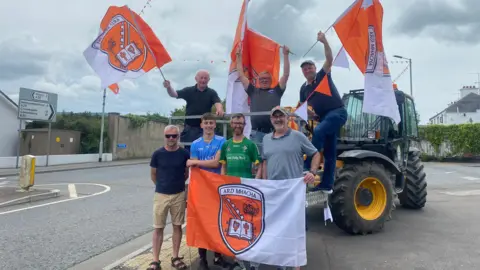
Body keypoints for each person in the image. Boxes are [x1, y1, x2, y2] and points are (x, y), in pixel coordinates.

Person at [261, 106, 321, 270]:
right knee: (278, 226)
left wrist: (312, 172)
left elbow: (316, 154)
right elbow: (265, 161)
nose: (278, 119)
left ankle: (295, 263)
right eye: (275, 117)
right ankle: (281, 260)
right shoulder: (266, 139)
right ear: (271, 120)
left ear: (287, 118)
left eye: (281, 116)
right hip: (274, 191)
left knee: (295, 227)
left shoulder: (298, 136)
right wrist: (264, 183)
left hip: (293, 191)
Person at [299, 30, 348, 194]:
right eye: (305, 69)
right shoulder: (304, 89)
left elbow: (329, 59)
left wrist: (324, 41)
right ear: (303, 72)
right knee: (330, 153)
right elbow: (302, 105)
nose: (308, 70)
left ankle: (308, 166)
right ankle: (327, 185)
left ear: (314, 68)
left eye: (310, 67)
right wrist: (310, 114)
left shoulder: (322, 76)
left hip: (337, 112)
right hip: (323, 117)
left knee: (319, 131)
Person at [185, 113, 230, 270]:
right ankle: (202, 259)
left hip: (216, 187)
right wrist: (197, 163)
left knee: (217, 222)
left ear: (215, 125)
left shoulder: (222, 141)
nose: (209, 125)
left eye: (211, 122)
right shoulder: (196, 144)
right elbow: (194, 167)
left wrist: (196, 161)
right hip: (201, 189)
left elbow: (216, 162)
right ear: (201, 125)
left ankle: (218, 256)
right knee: (201, 224)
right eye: (206, 123)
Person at [219, 113, 262, 270]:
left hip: (246, 192)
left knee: (249, 224)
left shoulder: (250, 145)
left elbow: (258, 165)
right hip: (230, 191)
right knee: (234, 227)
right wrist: (222, 182)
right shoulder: (226, 145)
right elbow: (223, 166)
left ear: (244, 125)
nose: (238, 125)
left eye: (241, 123)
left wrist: (254, 182)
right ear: (231, 124)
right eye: (235, 123)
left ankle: (252, 260)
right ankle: (238, 260)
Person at [234, 44, 291, 158]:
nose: (264, 80)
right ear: (258, 80)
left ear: (271, 80)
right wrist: (238, 56)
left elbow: (285, 75)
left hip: (274, 131)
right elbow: (240, 75)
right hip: (257, 133)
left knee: (274, 159)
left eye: (267, 79)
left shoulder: (277, 90)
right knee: (257, 162)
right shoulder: (253, 90)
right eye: (262, 79)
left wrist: (285, 55)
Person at [148, 125, 190, 270]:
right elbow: (153, 174)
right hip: (161, 195)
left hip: (178, 194)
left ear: (178, 136)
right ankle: (155, 261)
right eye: (168, 136)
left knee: (177, 226)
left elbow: (186, 174)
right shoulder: (157, 154)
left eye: (174, 136)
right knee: (158, 228)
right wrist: (162, 186)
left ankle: (175, 257)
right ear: (164, 136)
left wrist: (176, 186)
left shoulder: (184, 154)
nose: (171, 138)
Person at [163, 70, 225, 150]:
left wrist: (219, 109)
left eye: (205, 78)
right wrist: (168, 87)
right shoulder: (189, 90)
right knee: (189, 151)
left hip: (204, 128)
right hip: (190, 129)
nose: (203, 80)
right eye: (201, 78)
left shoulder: (211, 92)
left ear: (208, 80)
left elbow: (217, 102)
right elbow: (174, 94)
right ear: (196, 79)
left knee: (204, 151)